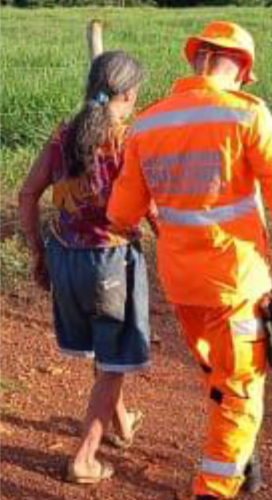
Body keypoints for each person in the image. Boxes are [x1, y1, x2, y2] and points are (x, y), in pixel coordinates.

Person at [107, 21, 272, 500]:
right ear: (236, 66)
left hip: (182, 284)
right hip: (235, 283)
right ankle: (215, 488)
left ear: (197, 59)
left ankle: (244, 461)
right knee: (237, 391)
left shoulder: (147, 123)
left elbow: (121, 214)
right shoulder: (245, 115)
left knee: (219, 377)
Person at [18, 51, 152, 484]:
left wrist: (39, 253)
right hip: (110, 261)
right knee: (114, 361)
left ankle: (122, 423)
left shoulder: (64, 135)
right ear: (130, 93)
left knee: (102, 343)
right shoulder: (130, 140)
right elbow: (153, 211)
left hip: (64, 257)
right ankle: (84, 459)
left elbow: (27, 195)